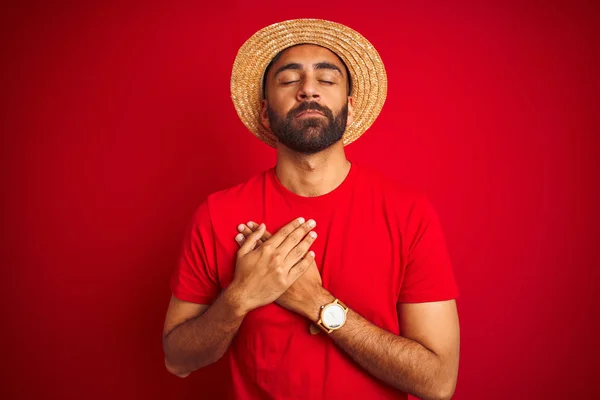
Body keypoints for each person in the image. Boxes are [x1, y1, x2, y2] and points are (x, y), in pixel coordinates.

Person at [162, 19, 460, 400]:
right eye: (288, 81)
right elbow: (177, 360)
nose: (307, 90)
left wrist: (315, 302)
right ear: (266, 113)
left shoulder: (409, 214)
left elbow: (438, 383)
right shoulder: (217, 214)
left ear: (350, 110)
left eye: (327, 80)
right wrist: (240, 297)